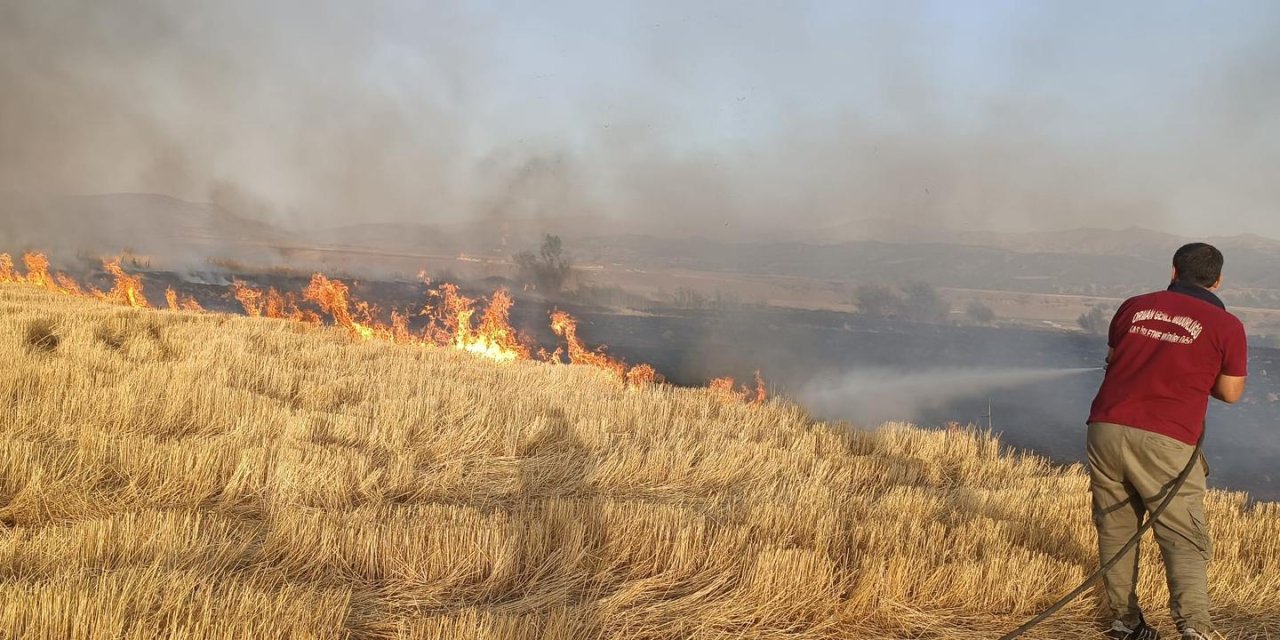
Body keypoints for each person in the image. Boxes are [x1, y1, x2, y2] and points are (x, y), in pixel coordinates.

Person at [1087, 243, 1247, 640]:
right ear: (1218, 280)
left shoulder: (1134, 306)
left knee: (1116, 529)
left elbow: (1114, 357)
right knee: (1182, 535)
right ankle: (1195, 627)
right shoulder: (1227, 326)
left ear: (1174, 271)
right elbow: (1230, 392)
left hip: (1105, 427)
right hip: (1166, 436)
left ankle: (1125, 623)